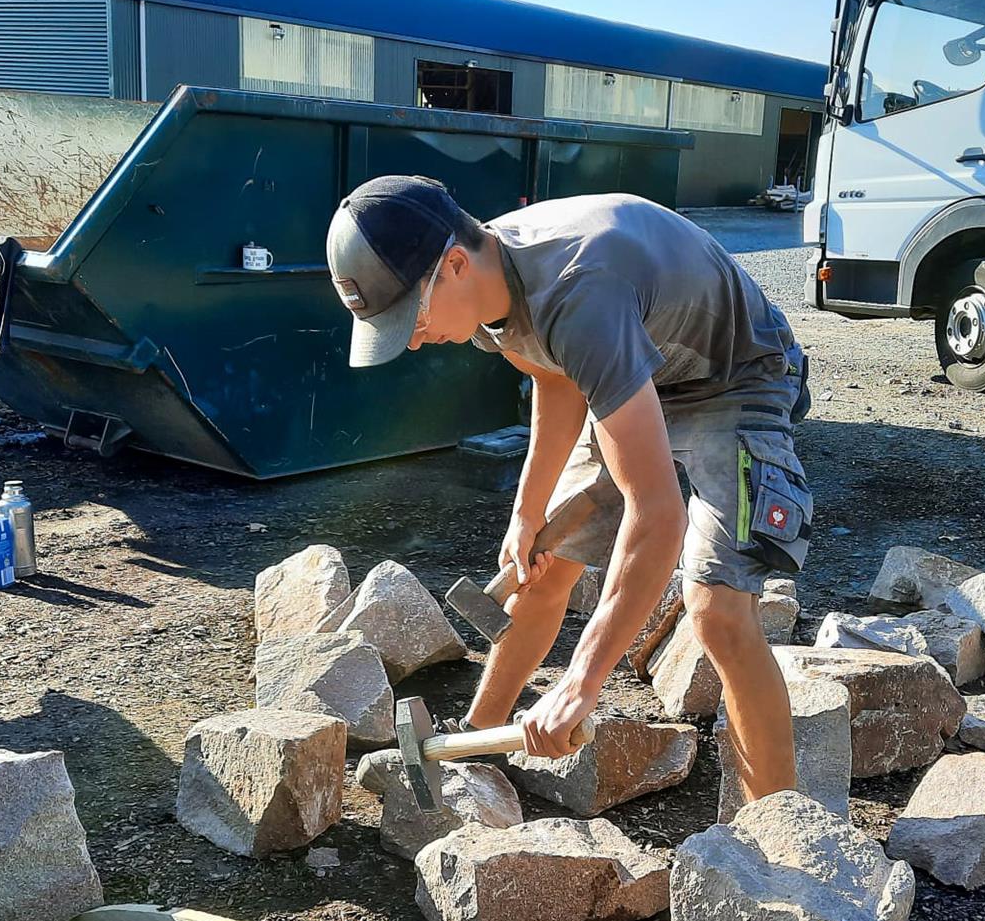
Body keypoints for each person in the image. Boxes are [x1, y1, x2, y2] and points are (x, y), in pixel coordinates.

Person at [325, 175, 812, 805]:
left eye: (409, 319)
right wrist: (528, 513)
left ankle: (778, 840)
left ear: (451, 266)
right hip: (629, 374)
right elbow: (554, 377)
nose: (412, 340)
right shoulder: (484, 282)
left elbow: (657, 514)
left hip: (733, 378)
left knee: (717, 610)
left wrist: (583, 680)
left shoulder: (579, 292)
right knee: (544, 560)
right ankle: (476, 745)